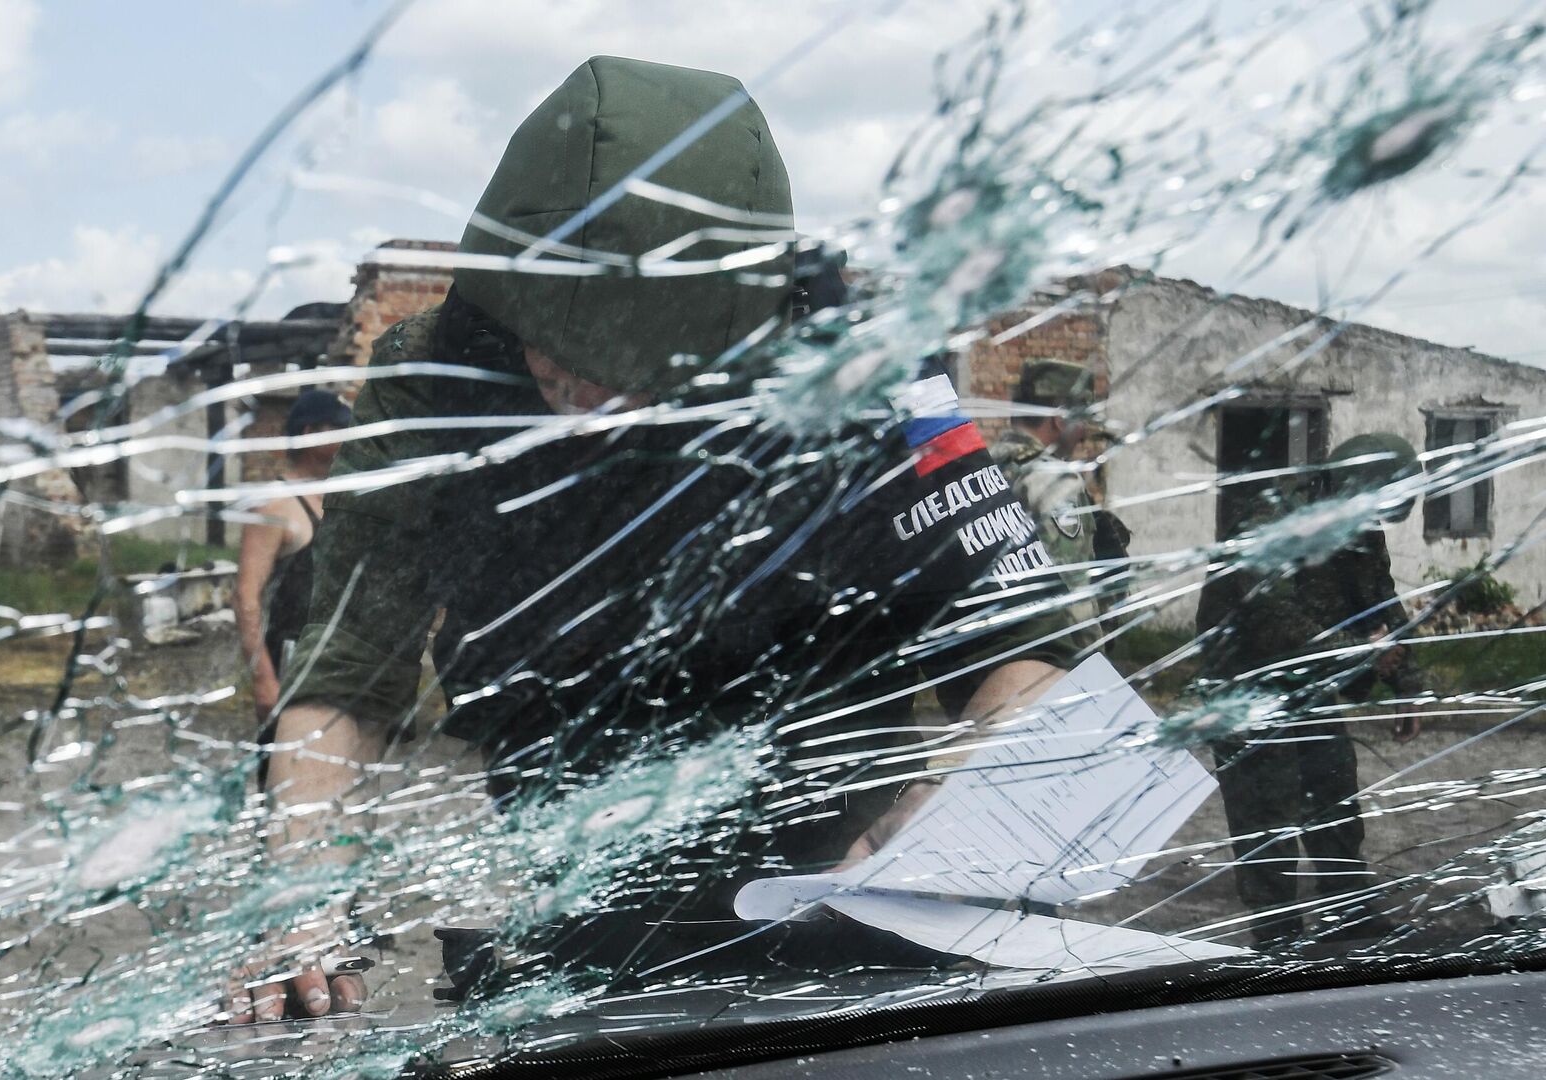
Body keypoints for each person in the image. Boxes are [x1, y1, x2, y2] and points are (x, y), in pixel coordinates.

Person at [225, 56, 1088, 1023]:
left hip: (852, 909)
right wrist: (296, 898)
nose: (580, 394)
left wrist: (946, 814)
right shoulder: (436, 380)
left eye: (626, 371)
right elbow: (350, 669)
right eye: (552, 349)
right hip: (579, 906)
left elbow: (1024, 652)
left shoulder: (866, 374)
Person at [1196, 432, 1427, 950]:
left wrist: (1406, 680)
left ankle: (1350, 913)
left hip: (1309, 681)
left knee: (1332, 788)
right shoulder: (1272, 522)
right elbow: (1273, 620)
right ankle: (1276, 934)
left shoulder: (1359, 527)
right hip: (1246, 686)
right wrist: (1360, 651)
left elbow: (1380, 599)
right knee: (1267, 810)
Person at [233, 389, 353, 727]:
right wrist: (264, 681)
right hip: (295, 667)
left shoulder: (341, 495)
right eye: (340, 427)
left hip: (344, 664)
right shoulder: (275, 503)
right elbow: (245, 596)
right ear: (309, 433)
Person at [990, 358, 1115, 630]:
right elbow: (1073, 597)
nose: (1083, 435)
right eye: (1081, 420)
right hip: (1050, 657)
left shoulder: (987, 465)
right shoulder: (1054, 480)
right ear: (1060, 418)